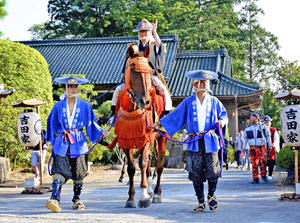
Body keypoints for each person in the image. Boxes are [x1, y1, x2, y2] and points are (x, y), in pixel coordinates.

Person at [149, 70, 228, 213]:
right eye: (201, 81)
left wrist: (222, 121)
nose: (204, 84)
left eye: (206, 82)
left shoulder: (215, 101)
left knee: (213, 170)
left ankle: (211, 195)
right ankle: (200, 201)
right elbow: (175, 116)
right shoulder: (188, 102)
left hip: (210, 140)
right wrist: (158, 124)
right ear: (194, 83)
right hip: (194, 140)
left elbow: (224, 115)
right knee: (195, 172)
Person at [45, 76, 109, 213]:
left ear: (78, 89)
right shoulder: (57, 106)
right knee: (59, 170)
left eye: (75, 87)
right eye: (70, 87)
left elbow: (92, 122)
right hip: (61, 141)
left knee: (79, 172)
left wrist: (100, 132)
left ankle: (76, 199)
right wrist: (50, 141)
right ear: (64, 88)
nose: (73, 89)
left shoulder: (85, 105)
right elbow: (52, 123)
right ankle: (54, 199)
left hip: (79, 142)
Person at [110, 19, 172, 122]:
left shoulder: (153, 44)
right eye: (141, 31)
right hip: (135, 75)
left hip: (149, 74)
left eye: (145, 31)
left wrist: (155, 31)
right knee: (118, 90)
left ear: (149, 32)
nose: (143, 33)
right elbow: (128, 61)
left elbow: (159, 45)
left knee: (163, 90)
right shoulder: (134, 46)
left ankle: (166, 113)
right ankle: (113, 114)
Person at [243, 113, 272, 184]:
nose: (251, 120)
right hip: (252, 147)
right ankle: (255, 178)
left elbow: (268, 136)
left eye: (253, 118)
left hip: (261, 147)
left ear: (257, 119)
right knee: (254, 163)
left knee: (263, 162)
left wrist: (270, 145)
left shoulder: (263, 127)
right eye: (251, 118)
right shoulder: (248, 128)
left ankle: (264, 175)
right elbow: (245, 138)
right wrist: (244, 148)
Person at [263, 115, 280, 181]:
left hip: (271, 147)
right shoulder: (262, 130)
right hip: (263, 147)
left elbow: (276, 139)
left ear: (270, 122)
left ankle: (270, 174)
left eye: (268, 122)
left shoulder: (273, 130)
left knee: (271, 161)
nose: (266, 123)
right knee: (263, 161)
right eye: (265, 122)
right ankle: (264, 174)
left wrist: (274, 144)